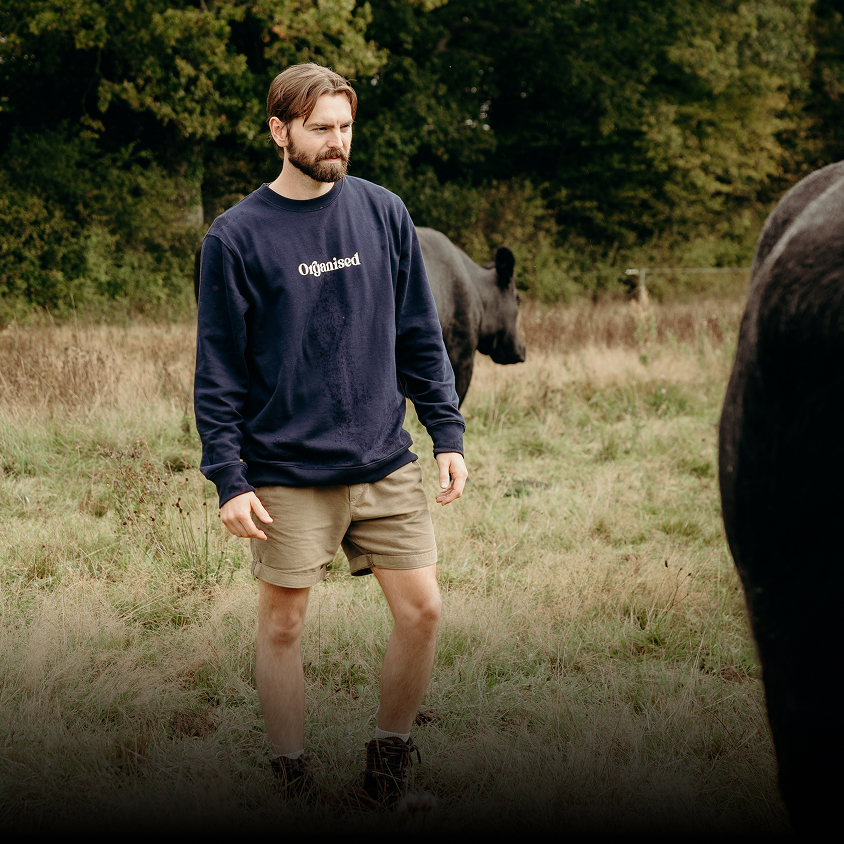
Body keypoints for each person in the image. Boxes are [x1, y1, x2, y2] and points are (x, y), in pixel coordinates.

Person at [193, 62, 468, 809]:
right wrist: (230, 476)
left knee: (424, 611)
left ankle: (389, 763)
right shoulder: (237, 236)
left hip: (384, 457)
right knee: (283, 626)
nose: (337, 142)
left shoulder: (383, 212)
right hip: (284, 468)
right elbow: (217, 367)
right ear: (279, 131)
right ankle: (291, 777)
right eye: (321, 129)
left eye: (345, 127)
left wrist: (446, 433)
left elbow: (419, 333)